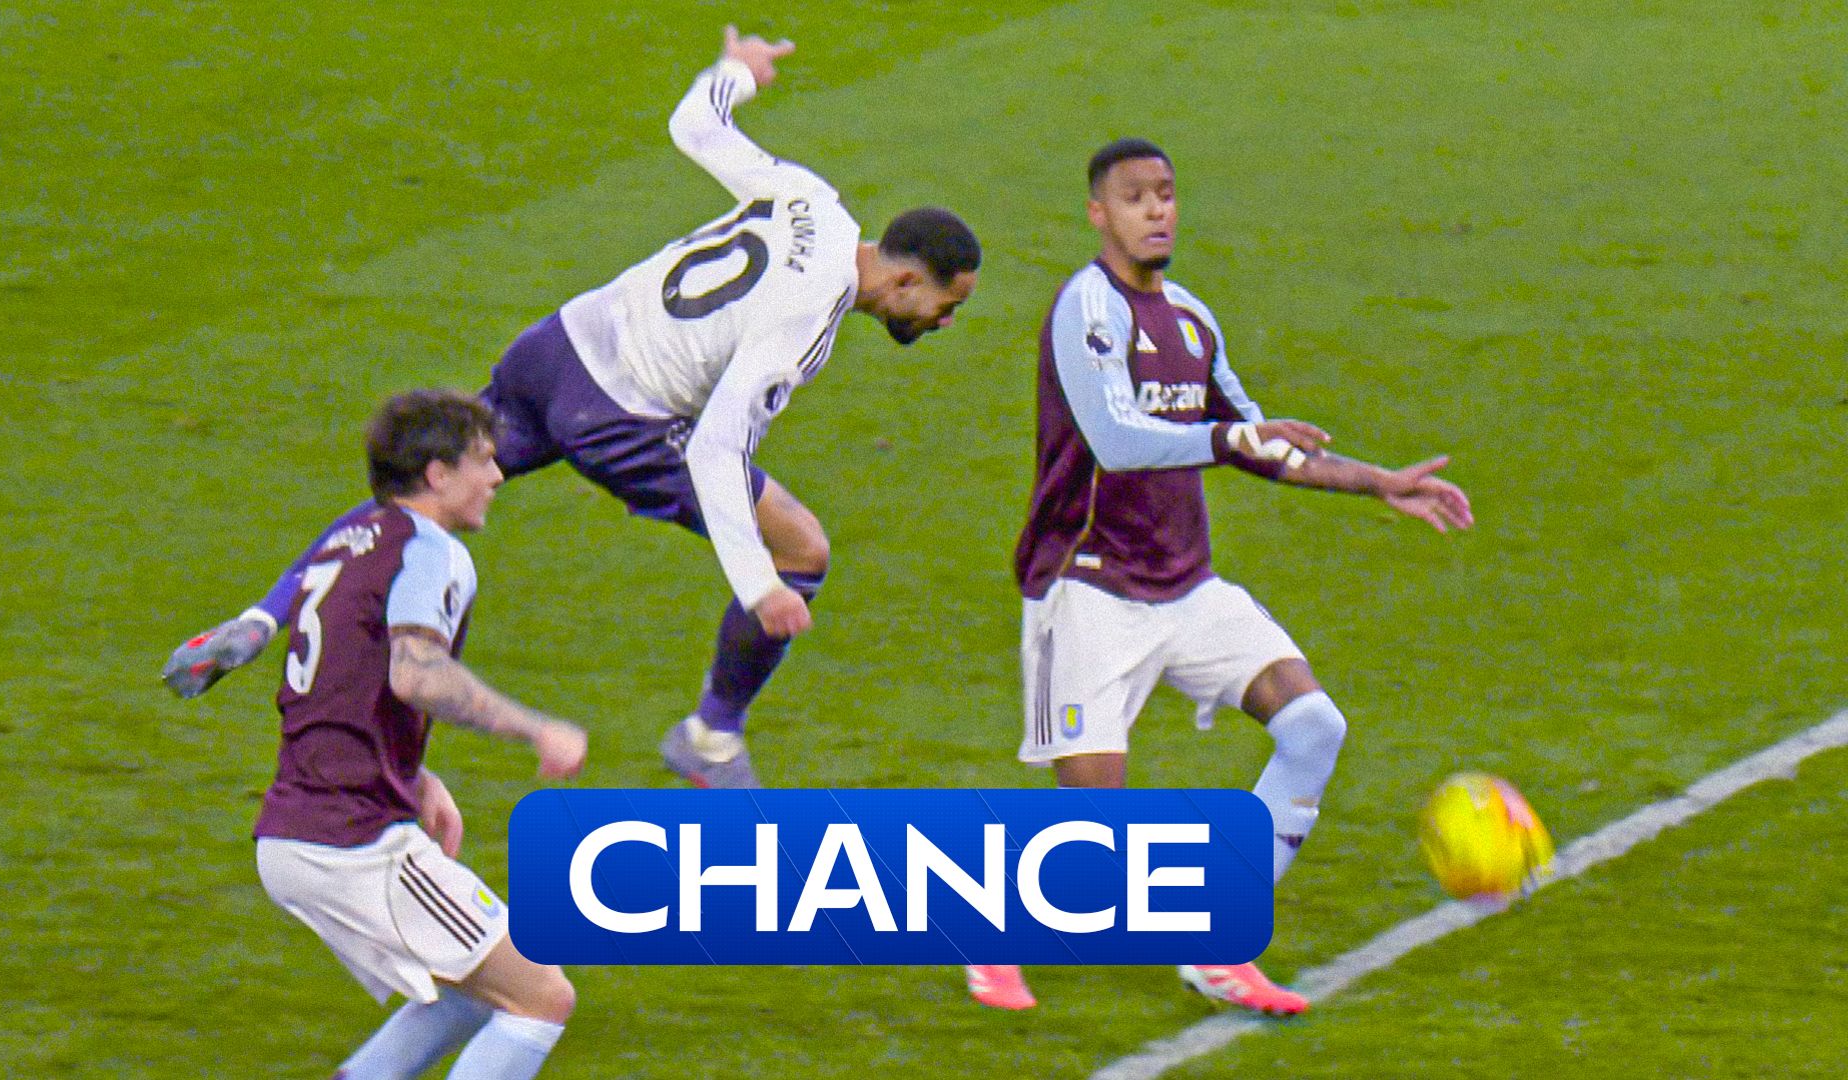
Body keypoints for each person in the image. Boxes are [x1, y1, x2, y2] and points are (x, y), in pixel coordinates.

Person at [162, 26, 981, 790]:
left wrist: (738, 70)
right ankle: (711, 737)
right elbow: (715, 450)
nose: (943, 323)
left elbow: (696, 126)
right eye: (946, 306)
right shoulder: (809, 319)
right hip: (618, 419)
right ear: (907, 280)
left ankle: (263, 617)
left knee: (418, 496)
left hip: (555, 348)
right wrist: (759, 583)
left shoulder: (813, 200)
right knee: (803, 547)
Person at [964, 139, 1473, 1014]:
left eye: (1166, 194)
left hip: (1186, 588)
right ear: (1098, 213)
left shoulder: (1192, 321)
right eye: (1135, 197)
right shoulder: (1086, 309)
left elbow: (1258, 439)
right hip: (1088, 590)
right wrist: (1230, 439)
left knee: (1312, 727)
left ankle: (1215, 943)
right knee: (1092, 836)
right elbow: (1117, 440)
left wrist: (1378, 481)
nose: (1156, 210)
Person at [234, 389, 589, 1078]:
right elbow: (415, 673)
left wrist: (415, 776)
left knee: (476, 990)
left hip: (306, 826)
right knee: (542, 996)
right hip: (350, 840)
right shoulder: (429, 552)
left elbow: (340, 684)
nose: (497, 477)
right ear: (438, 474)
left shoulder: (349, 544)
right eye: (482, 461)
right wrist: (536, 728)